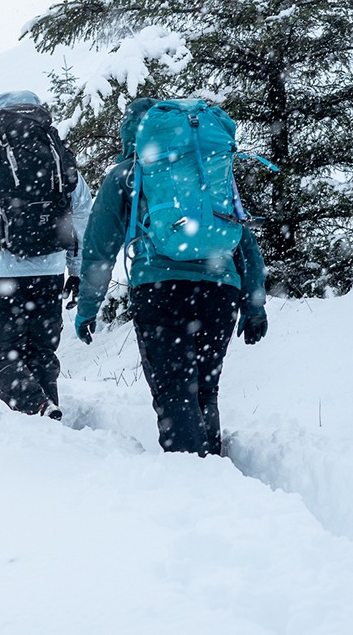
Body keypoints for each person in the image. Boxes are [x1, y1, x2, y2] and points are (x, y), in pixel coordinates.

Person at [74, 97, 268, 457]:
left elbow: (99, 250)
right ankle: (214, 470)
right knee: (204, 389)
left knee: (174, 389)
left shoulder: (127, 174)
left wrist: (87, 309)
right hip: (220, 290)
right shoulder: (207, 171)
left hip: (160, 289)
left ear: (130, 133)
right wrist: (254, 304)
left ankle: (195, 479)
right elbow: (244, 241)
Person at [0, 91, 92, 420]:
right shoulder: (56, 152)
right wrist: (76, 268)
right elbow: (82, 210)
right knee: (41, 353)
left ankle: (38, 409)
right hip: (51, 268)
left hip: (4, 272)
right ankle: (48, 421)